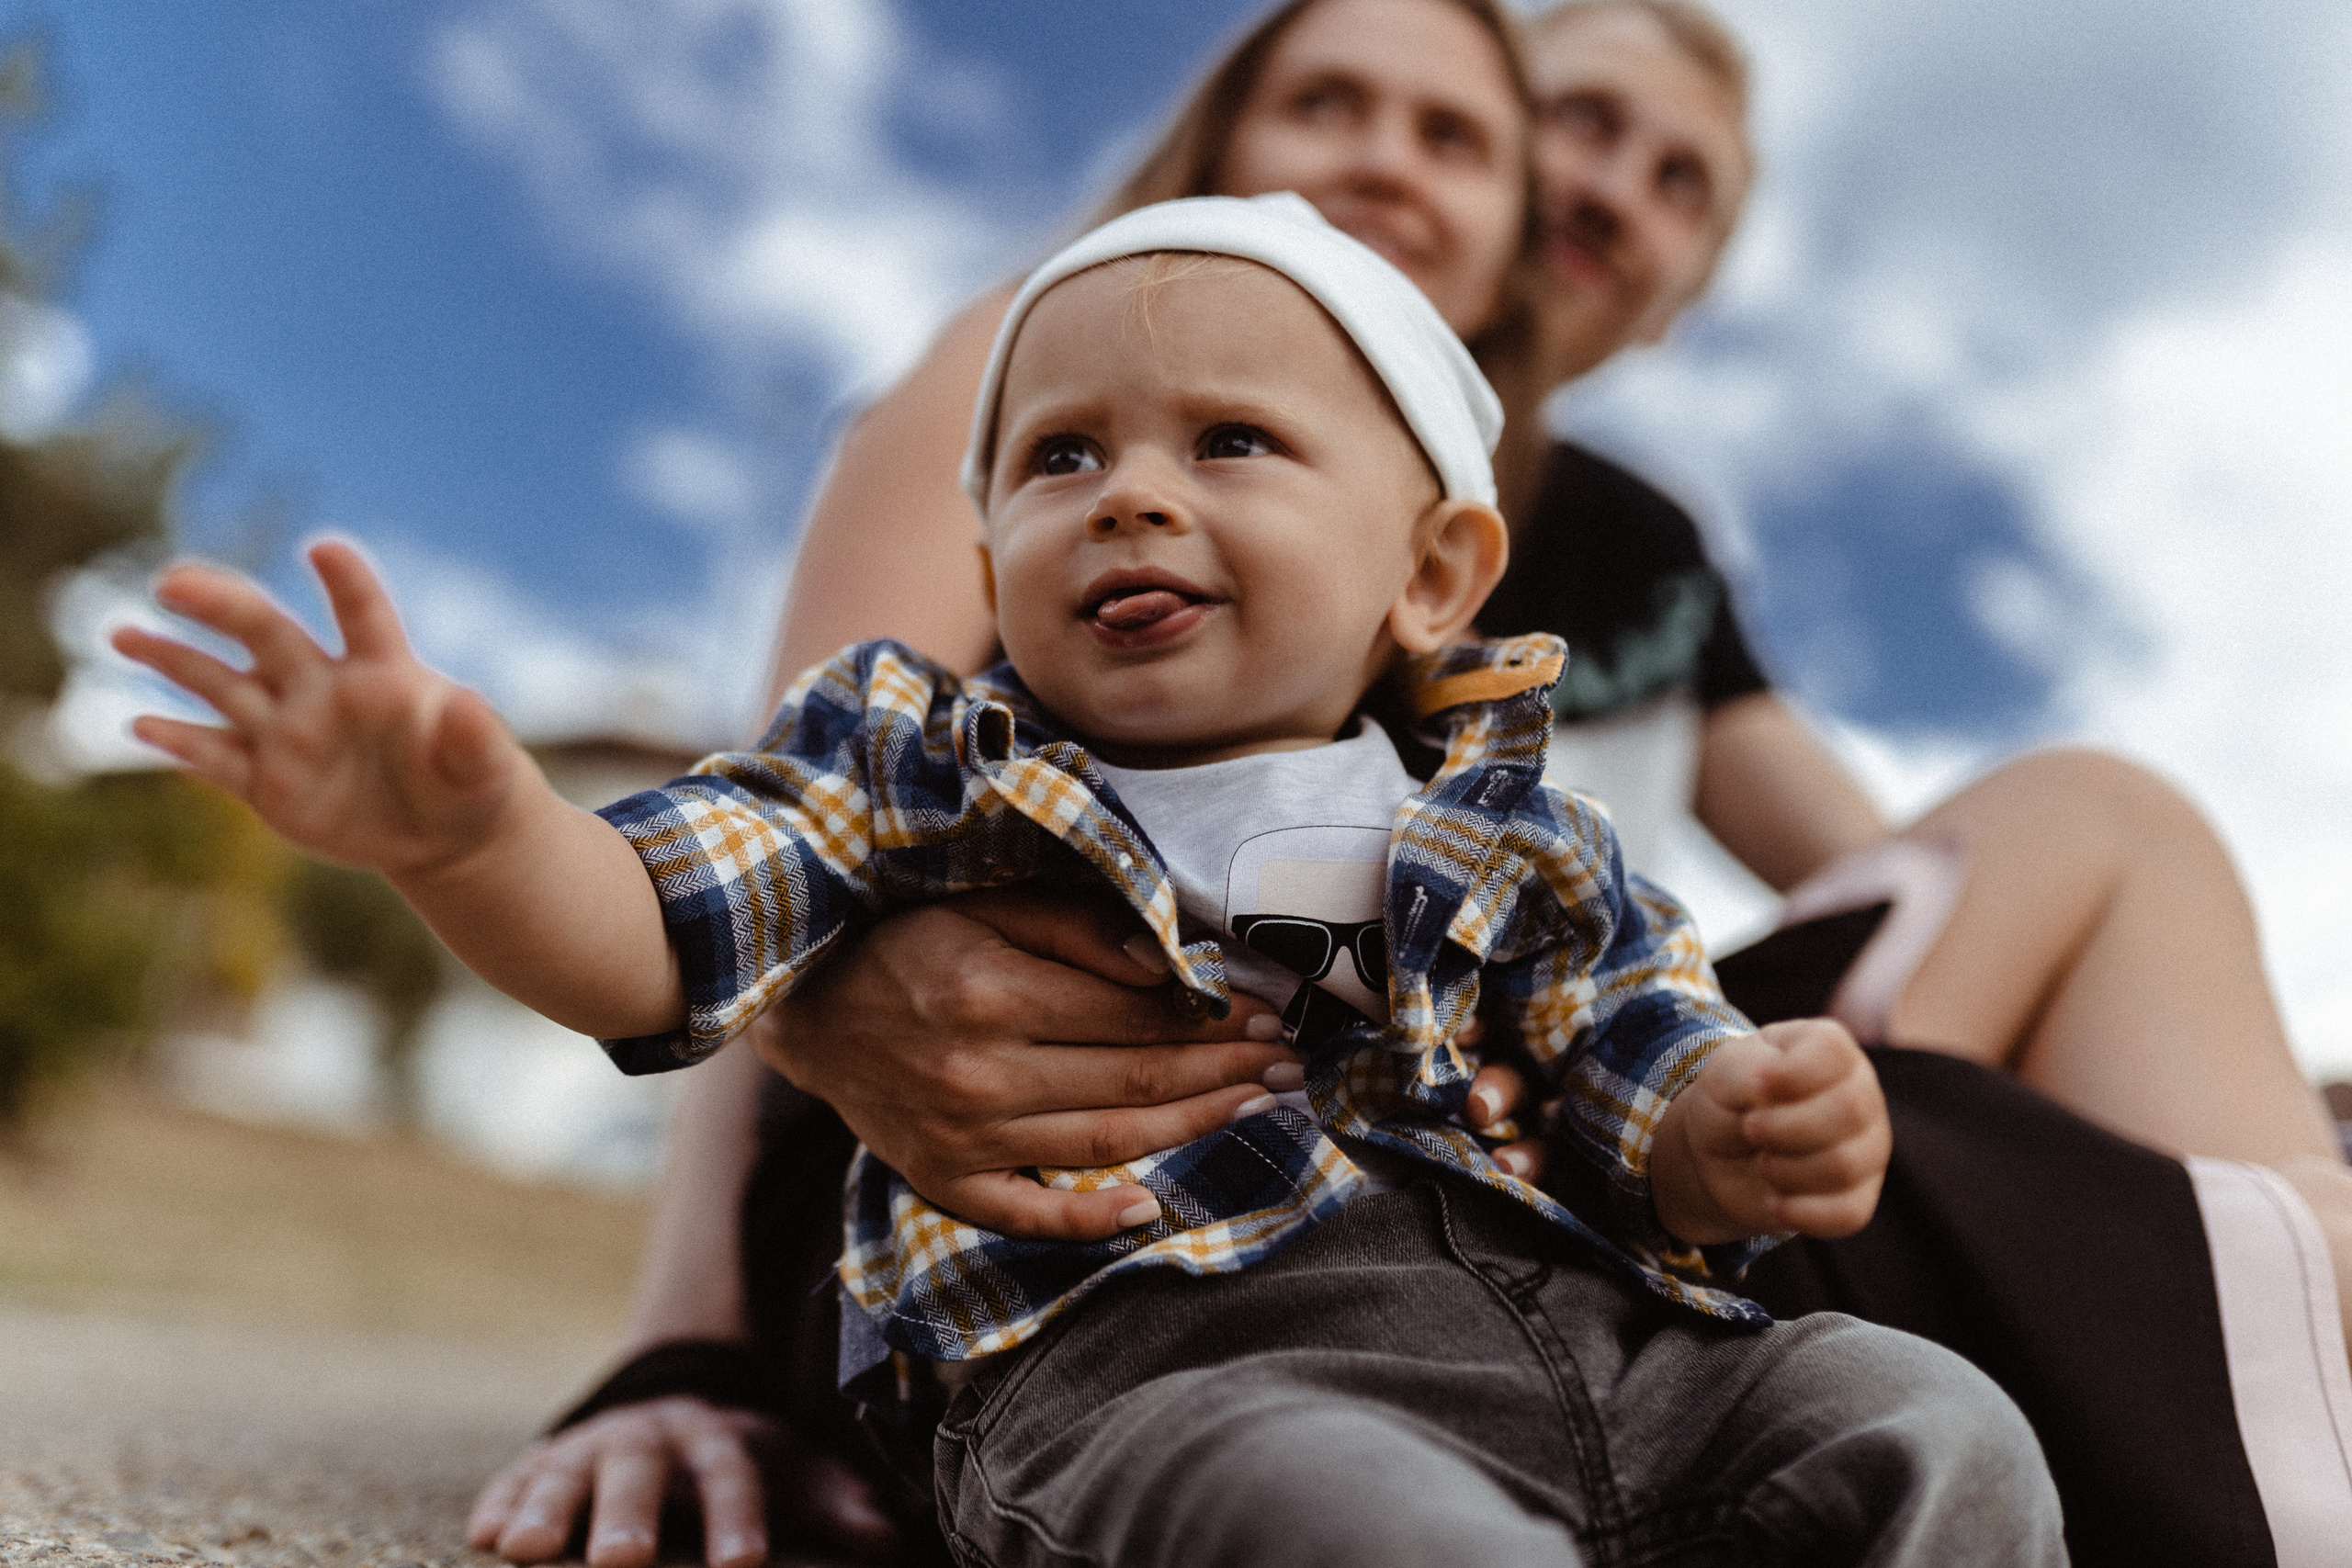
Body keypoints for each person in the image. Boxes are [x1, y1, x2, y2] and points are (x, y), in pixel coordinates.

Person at [475, 1, 2352, 1564]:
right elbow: (742, 832)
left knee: (2086, 849)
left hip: (1514, 1179)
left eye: (1458, 137)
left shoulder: (1609, 551)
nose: (1383, 154)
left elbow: (1889, 899)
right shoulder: (1046, 353)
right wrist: (687, 1327)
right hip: (1092, 1234)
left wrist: (1743, 1093)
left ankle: (2293, 1308)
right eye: (1323, 101)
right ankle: (2269, 1321)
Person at [115, 193, 2065, 1567]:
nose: (1133, 489)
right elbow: (658, 925)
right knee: (1353, 1531)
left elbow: (1641, 1060)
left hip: (1619, 1359)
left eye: (1230, 439)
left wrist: (1733, 1122)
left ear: (1431, 575)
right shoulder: (916, 762)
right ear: (987, 562)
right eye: (1059, 456)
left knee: (1918, 1420)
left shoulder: (1514, 829)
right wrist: (474, 839)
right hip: (1168, 1379)